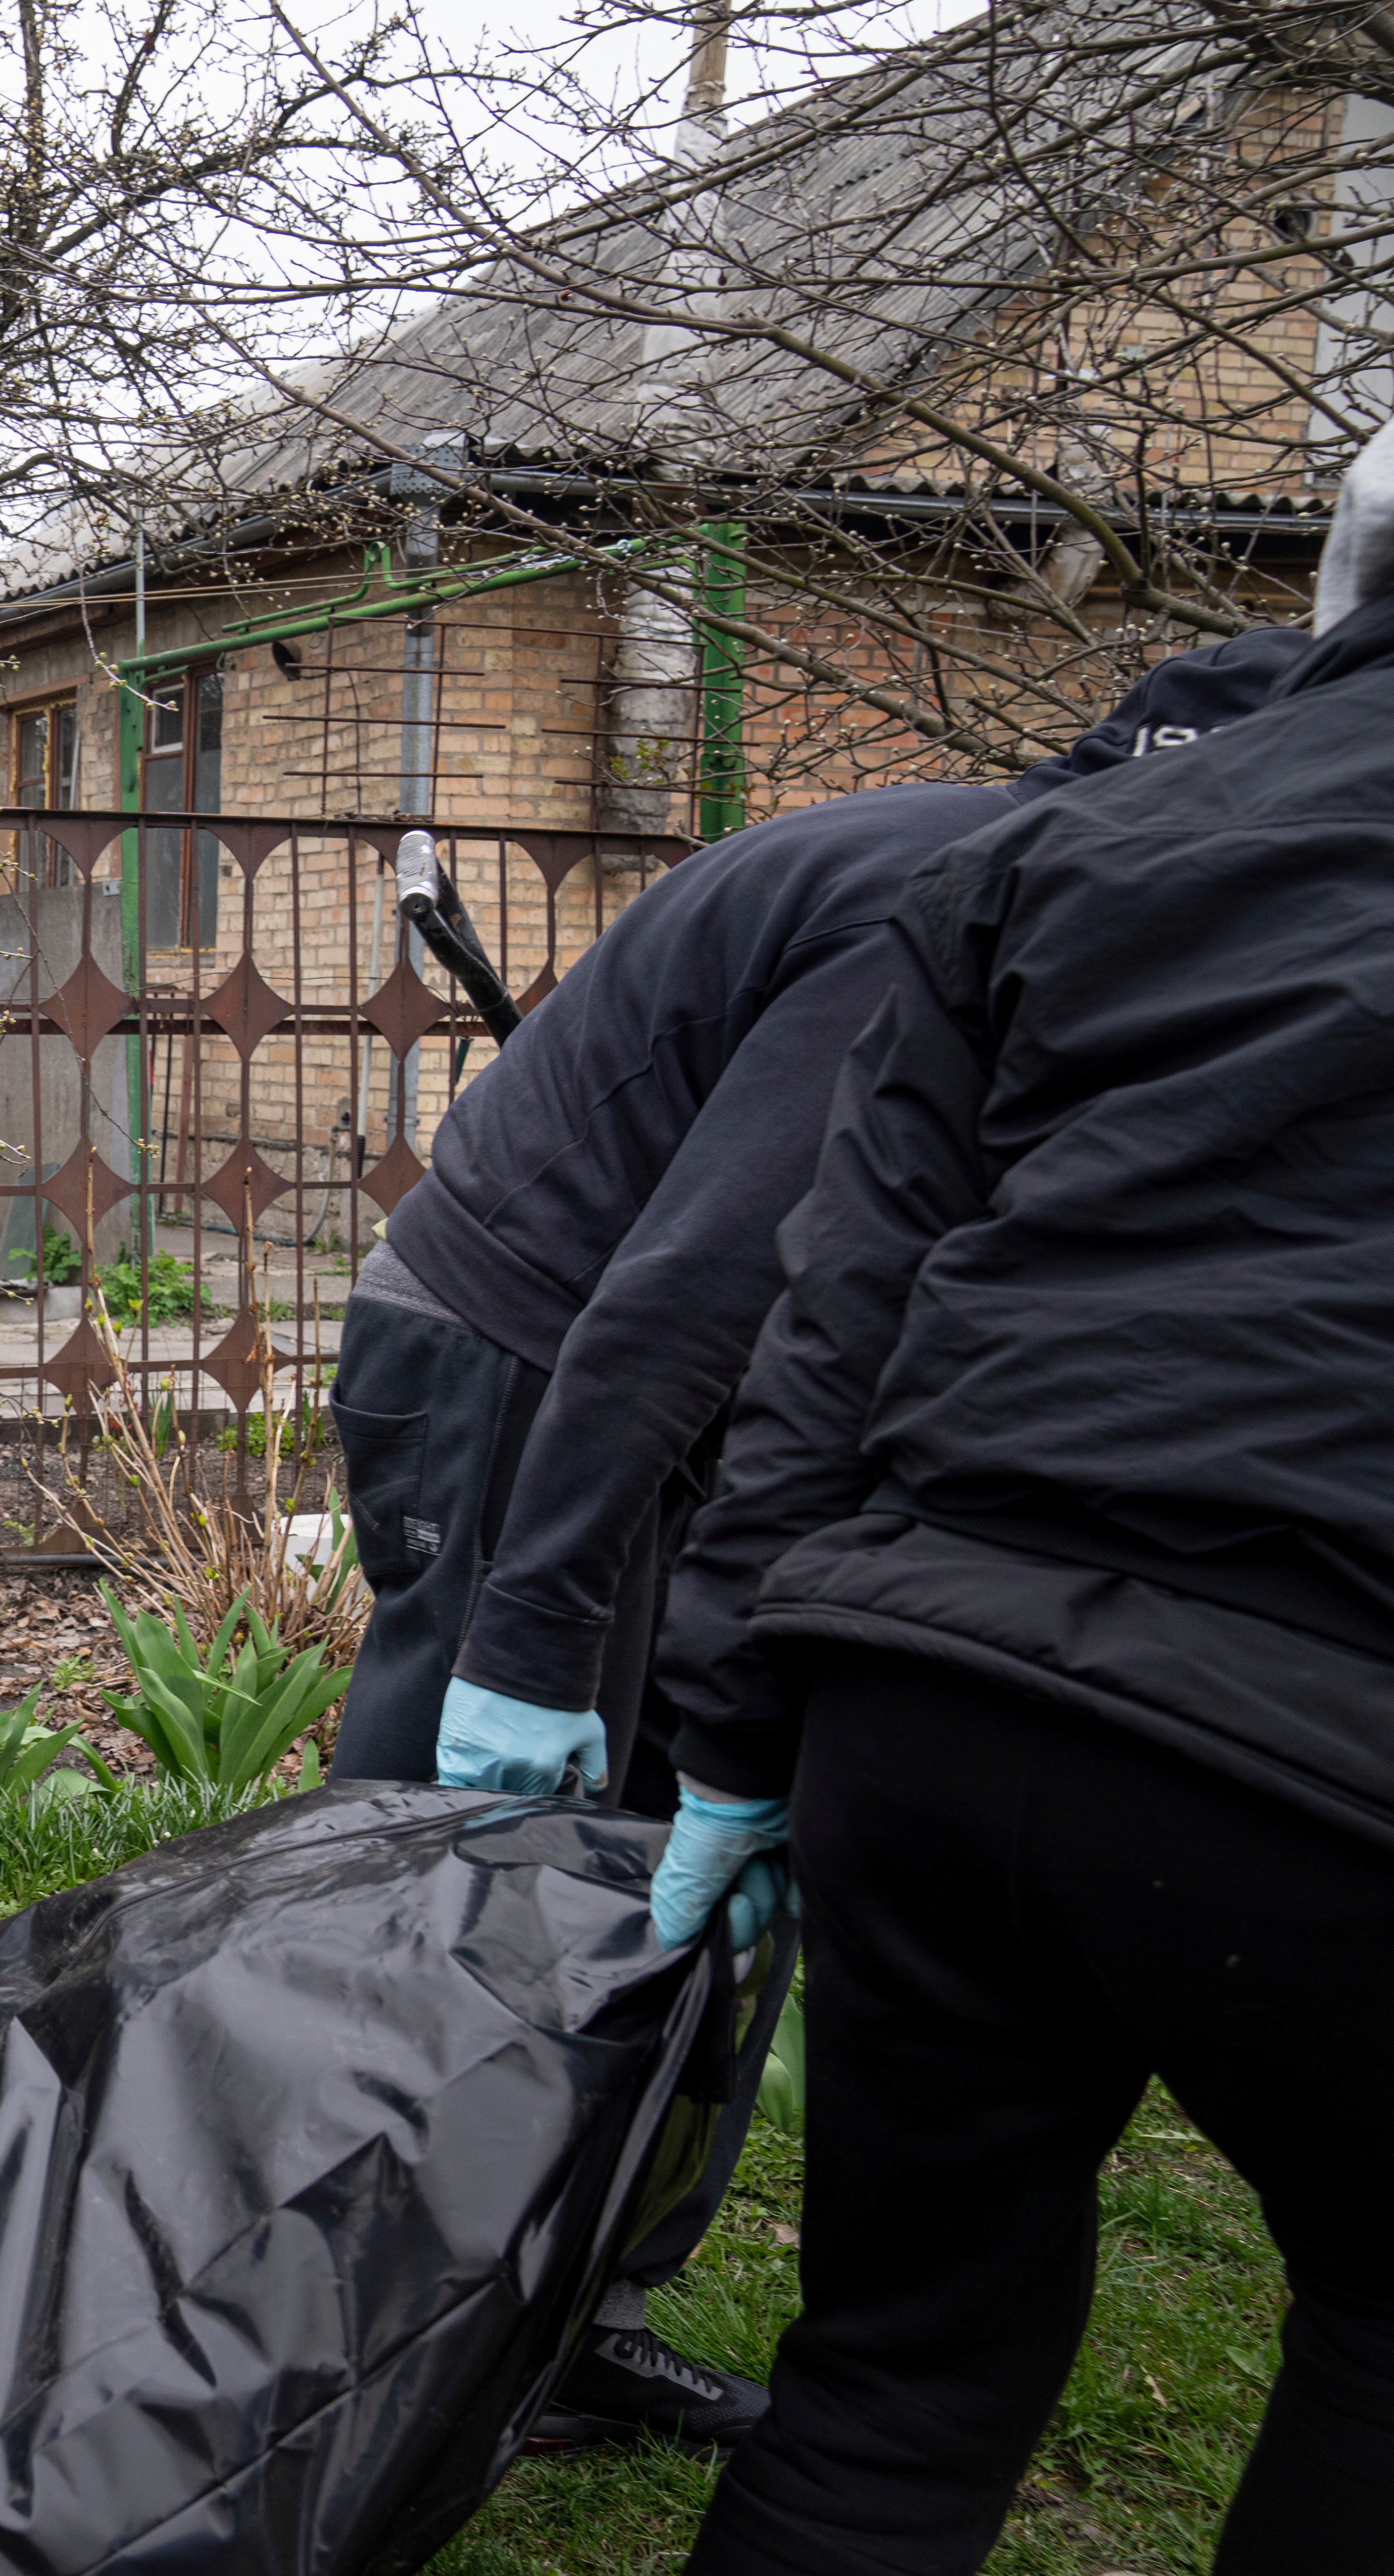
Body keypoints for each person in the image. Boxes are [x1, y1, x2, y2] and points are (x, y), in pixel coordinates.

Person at [326, 622, 1306, 2449]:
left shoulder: (1039, 883)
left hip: (664, 1391)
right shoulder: (953, 901)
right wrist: (531, 1638)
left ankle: (562, 2314)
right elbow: (680, 1294)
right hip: (528, 1363)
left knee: (658, 1859)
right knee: (452, 1876)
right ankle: (329, 2325)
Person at [646, 434, 1394, 2572]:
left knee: (892, 2359)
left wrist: (733, 1731)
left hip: (939, 1706)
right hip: (1332, 1754)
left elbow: (838, 1307)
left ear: (1326, 596)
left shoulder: (1070, 848)